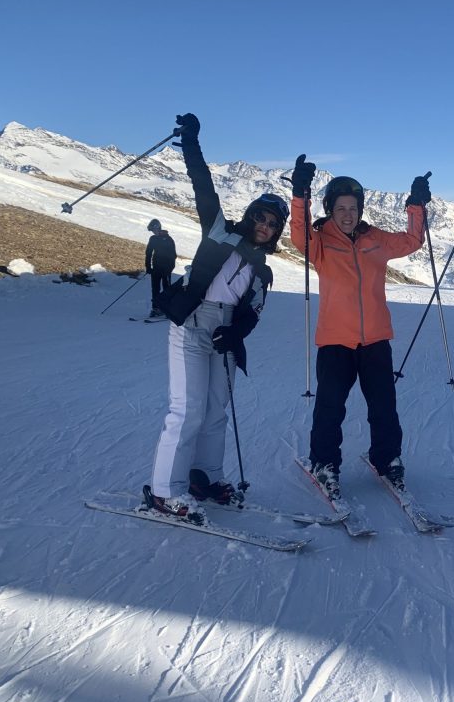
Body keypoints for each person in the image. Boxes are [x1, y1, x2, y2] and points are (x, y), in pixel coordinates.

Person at [145, 113, 288, 520]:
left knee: (215, 411)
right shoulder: (218, 231)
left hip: (223, 334)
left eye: (272, 223)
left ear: (276, 231)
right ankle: (163, 491)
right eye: (260, 217)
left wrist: (236, 331)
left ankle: (204, 478)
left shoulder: (263, 270)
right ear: (250, 216)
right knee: (186, 410)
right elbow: (202, 184)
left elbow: (253, 313)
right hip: (191, 325)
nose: (263, 226)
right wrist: (192, 142)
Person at [288, 154, 428, 499]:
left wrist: (416, 205)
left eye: (353, 207)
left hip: (376, 340)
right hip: (336, 341)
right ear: (331, 210)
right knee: (331, 406)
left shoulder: (375, 239)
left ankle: (387, 459)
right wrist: (299, 193)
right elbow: (298, 235)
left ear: (361, 209)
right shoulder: (319, 242)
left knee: (383, 406)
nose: (348, 214)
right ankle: (324, 463)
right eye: (341, 208)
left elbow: (412, 241)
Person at [145, 218, 176, 318]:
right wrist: (148, 267)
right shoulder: (153, 239)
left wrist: (170, 268)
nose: (153, 232)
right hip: (156, 269)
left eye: (153, 230)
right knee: (155, 289)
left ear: (158, 228)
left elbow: (173, 255)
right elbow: (148, 253)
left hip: (166, 269)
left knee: (167, 289)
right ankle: (156, 309)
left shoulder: (168, 239)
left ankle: (168, 309)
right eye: (152, 231)